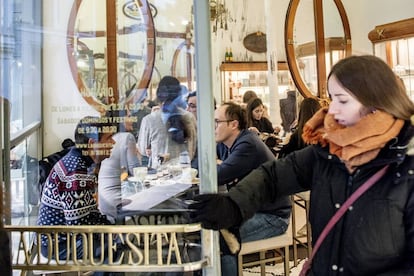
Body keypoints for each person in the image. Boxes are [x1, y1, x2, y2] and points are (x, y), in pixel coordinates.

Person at [190, 55, 414, 275]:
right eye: (332, 98)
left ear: (376, 103)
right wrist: (235, 204)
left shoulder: (406, 165)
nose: (332, 110)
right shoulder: (327, 151)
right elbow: (273, 176)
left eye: (342, 100)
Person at [215, 102, 291, 276]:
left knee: (222, 238)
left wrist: (219, 164)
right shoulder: (228, 142)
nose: (213, 127)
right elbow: (205, 162)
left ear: (233, 124)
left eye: (217, 122)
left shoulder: (247, 144)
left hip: (273, 217)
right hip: (254, 210)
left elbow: (217, 174)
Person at [37, 115, 117, 261]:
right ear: (93, 144)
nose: (113, 142)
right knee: (115, 247)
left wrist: (110, 226)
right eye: (109, 138)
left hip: (63, 239)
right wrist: (112, 231)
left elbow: (88, 215)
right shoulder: (75, 173)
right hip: (59, 245)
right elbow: (79, 227)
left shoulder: (79, 162)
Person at [138, 76, 197, 169]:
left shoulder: (149, 120)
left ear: (158, 95)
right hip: (185, 174)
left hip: (159, 175)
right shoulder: (189, 117)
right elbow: (194, 147)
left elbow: (142, 149)